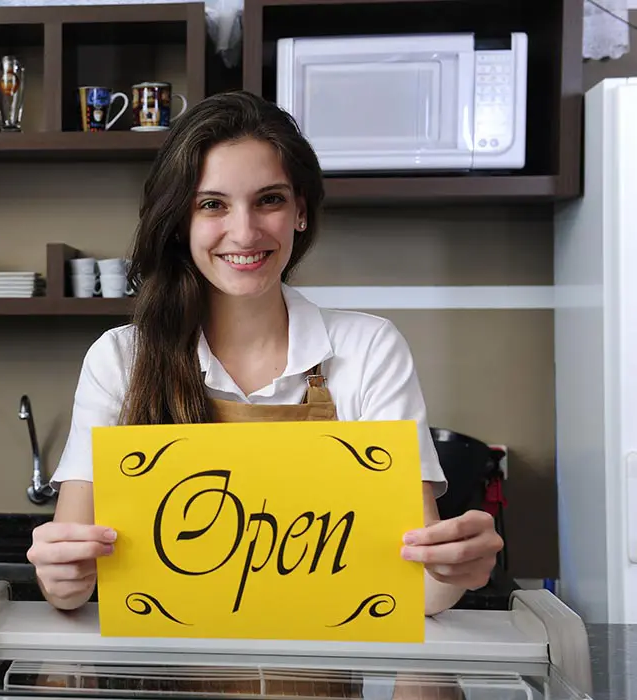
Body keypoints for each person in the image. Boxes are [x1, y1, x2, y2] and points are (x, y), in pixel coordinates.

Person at [27, 90, 503, 617]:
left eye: (269, 200)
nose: (245, 231)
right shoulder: (119, 360)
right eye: (212, 204)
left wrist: (454, 570)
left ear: (300, 210)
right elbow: (68, 589)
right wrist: (61, 572)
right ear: (180, 223)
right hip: (159, 672)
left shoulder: (369, 350)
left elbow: (417, 590)